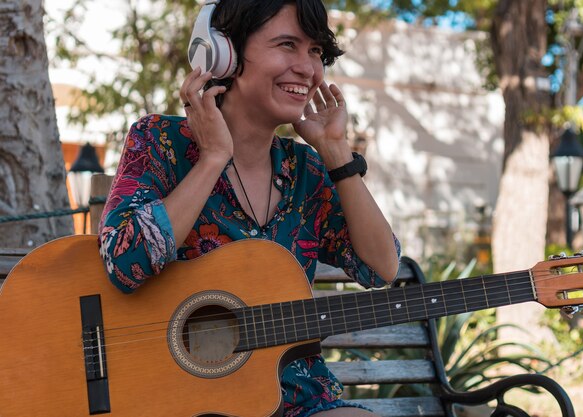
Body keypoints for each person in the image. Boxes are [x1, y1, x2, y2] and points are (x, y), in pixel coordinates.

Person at [98, 0, 401, 416]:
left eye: (315, 52)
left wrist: (337, 155)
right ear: (224, 55)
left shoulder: (307, 170)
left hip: (297, 400)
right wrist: (213, 158)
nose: (308, 69)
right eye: (287, 45)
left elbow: (381, 267)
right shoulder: (159, 140)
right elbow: (123, 263)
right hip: (187, 402)